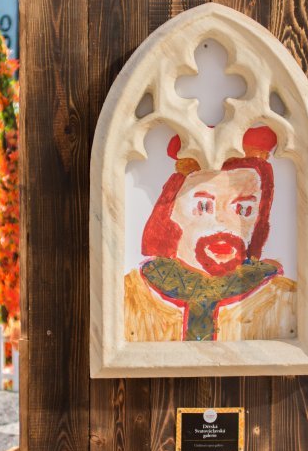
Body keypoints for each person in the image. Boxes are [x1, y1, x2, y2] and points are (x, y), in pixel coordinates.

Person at [123, 128, 294, 342]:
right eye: (203, 206)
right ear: (171, 209)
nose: (222, 223)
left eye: (243, 210)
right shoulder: (128, 296)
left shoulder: (287, 299)